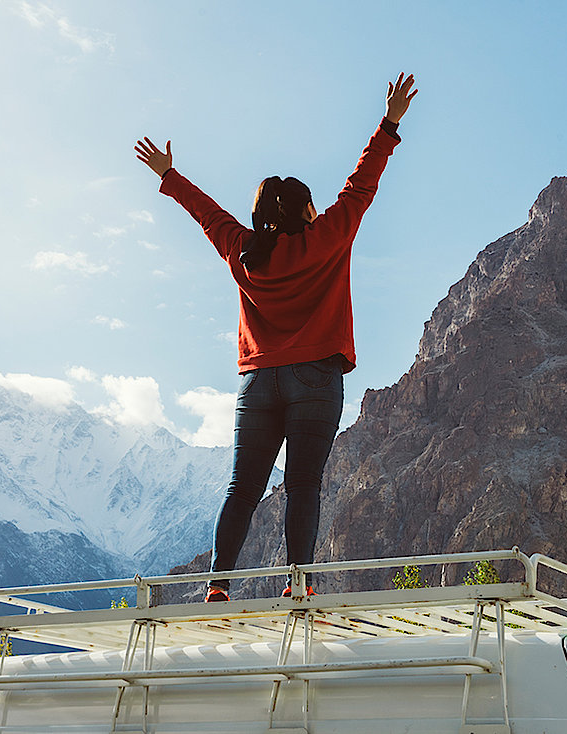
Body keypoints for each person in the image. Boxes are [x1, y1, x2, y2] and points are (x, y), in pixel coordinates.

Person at [135, 72, 417, 602]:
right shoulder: (328, 237)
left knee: (242, 489)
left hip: (258, 382)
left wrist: (169, 175)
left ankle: (218, 586)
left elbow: (208, 216)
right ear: (308, 211)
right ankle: (298, 585)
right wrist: (389, 123)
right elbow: (361, 184)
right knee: (303, 485)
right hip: (315, 378)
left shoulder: (242, 250)